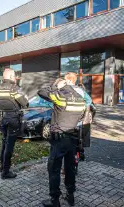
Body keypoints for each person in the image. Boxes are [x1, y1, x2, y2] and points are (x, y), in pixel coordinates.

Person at [38, 77, 88, 207]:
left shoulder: (60, 96)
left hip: (59, 138)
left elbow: (41, 92)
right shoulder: (80, 99)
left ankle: (55, 200)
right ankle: (70, 196)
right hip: (73, 137)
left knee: (54, 169)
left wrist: (55, 86)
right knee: (70, 168)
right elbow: (82, 116)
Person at [0, 68, 29, 179]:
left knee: (4, 142)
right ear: (10, 77)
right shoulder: (15, 89)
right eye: (14, 76)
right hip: (13, 119)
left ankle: (2, 166)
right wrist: (25, 99)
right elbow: (25, 104)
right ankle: (6, 172)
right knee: (9, 145)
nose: (15, 78)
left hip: (3, 119)